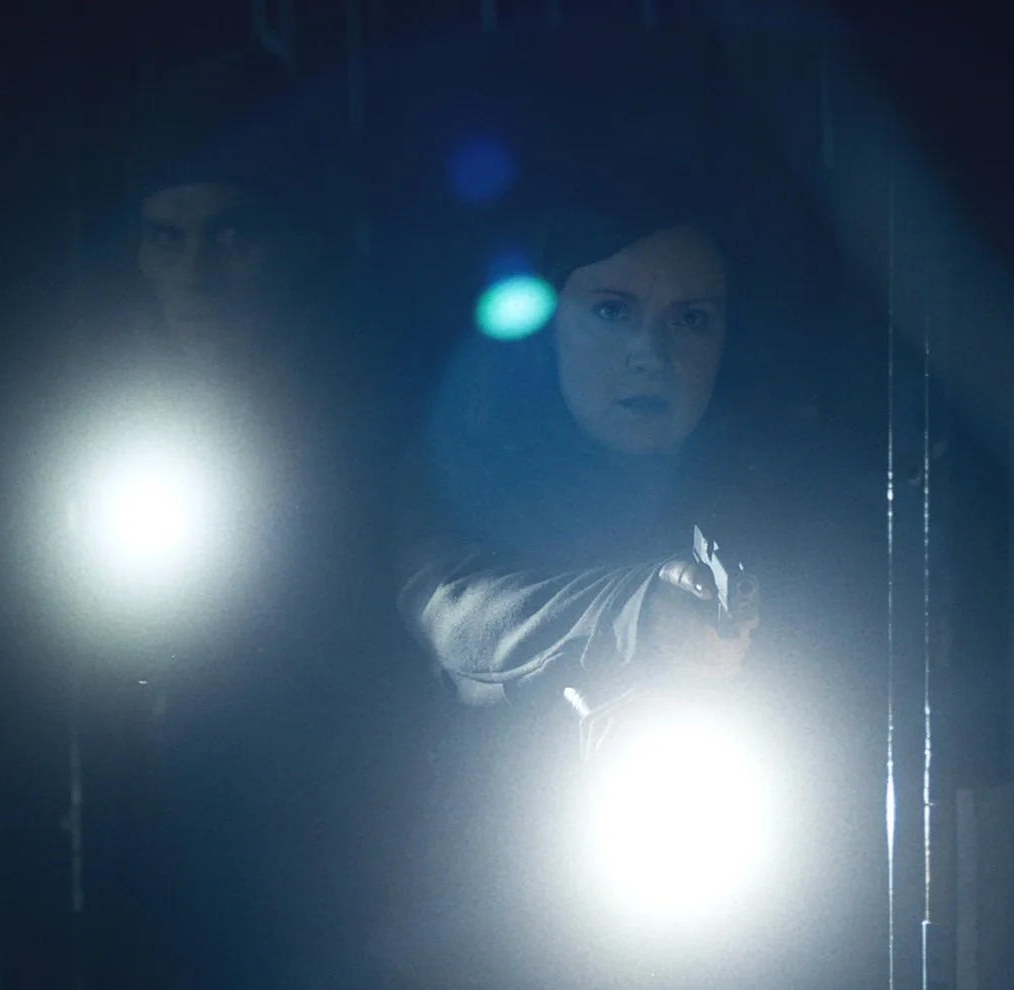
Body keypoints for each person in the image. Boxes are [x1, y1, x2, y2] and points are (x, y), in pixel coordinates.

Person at [374, 170, 890, 989]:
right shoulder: (463, 470)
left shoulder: (790, 497)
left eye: (690, 318)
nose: (651, 353)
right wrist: (635, 609)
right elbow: (459, 613)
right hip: (499, 926)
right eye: (612, 311)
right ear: (554, 322)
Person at [75, 49, 409, 990]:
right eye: (165, 237)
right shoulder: (99, 411)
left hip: (334, 860)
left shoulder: (379, 416)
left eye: (232, 233)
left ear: (294, 238)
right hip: (155, 864)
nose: (196, 273)